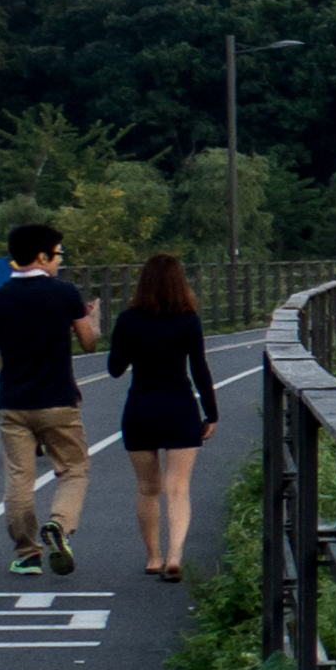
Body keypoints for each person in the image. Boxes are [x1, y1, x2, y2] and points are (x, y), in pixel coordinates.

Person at [0, 221, 98, 578]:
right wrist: (94, 319)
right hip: (59, 400)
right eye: (58, 254)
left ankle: (27, 554)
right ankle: (59, 524)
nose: (60, 260)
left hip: (13, 403)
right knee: (73, 469)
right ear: (42, 256)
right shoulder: (65, 294)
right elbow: (89, 343)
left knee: (19, 479)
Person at [108, 250, 218, 583]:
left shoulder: (128, 320)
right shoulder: (189, 321)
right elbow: (199, 369)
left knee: (147, 488)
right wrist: (211, 413)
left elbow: (115, 368)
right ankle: (175, 555)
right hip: (179, 407)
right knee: (177, 488)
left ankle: (153, 557)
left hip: (140, 408)